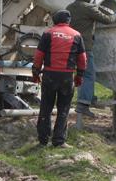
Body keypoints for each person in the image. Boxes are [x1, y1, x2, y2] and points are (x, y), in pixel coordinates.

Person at [32, 10, 87, 148]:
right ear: (68, 21)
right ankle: (59, 141)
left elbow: (39, 55)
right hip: (67, 77)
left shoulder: (48, 33)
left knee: (45, 107)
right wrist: (79, 76)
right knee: (64, 109)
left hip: (49, 75)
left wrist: (36, 72)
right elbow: (82, 59)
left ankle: (43, 140)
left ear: (55, 20)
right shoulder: (76, 35)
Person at [67, 0, 116, 118]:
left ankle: (88, 98)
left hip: (71, 47)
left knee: (79, 74)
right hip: (84, 47)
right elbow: (107, 19)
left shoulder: (69, 8)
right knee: (89, 75)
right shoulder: (89, 8)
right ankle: (83, 104)